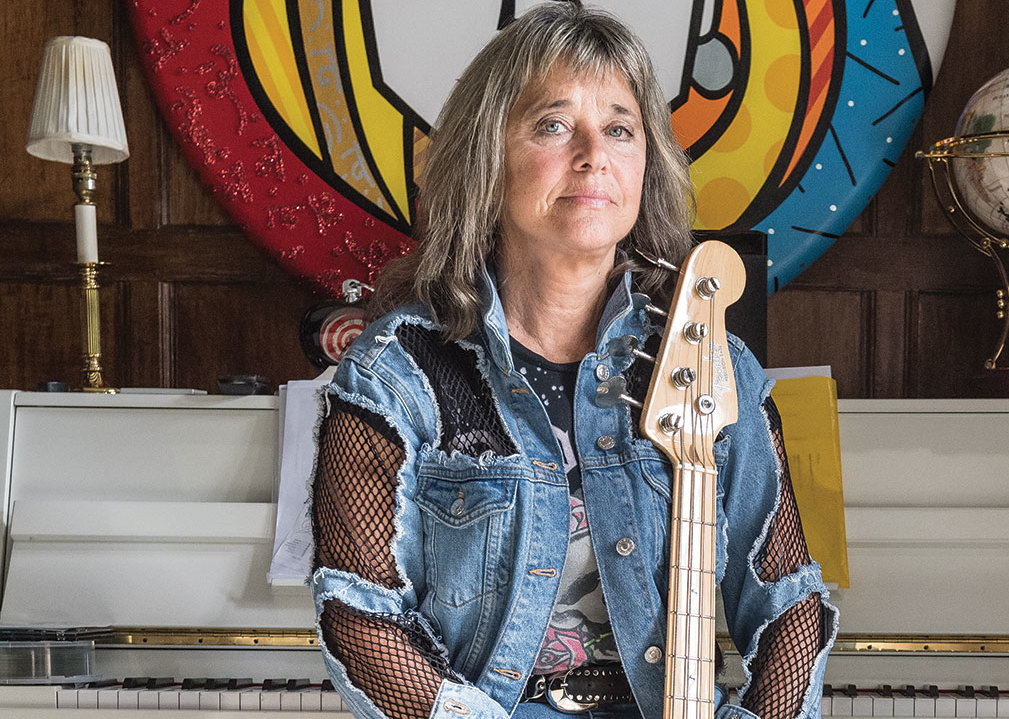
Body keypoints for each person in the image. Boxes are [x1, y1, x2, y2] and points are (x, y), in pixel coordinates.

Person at [308, 4, 836, 719]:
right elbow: (359, 609)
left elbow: (788, 604)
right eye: (553, 125)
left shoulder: (714, 366)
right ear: (486, 158)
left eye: (620, 128)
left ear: (645, 163)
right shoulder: (399, 374)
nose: (594, 154)